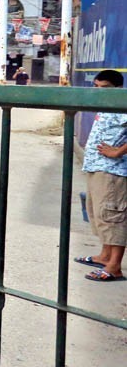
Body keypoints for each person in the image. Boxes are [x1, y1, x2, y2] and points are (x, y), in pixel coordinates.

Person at [74, 69, 127, 282]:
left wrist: (118, 151)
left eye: (104, 88)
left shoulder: (123, 103)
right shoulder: (105, 105)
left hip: (113, 170)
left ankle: (114, 266)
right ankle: (104, 256)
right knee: (99, 214)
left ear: (118, 89)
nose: (99, 91)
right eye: (96, 87)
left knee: (113, 217)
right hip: (97, 166)